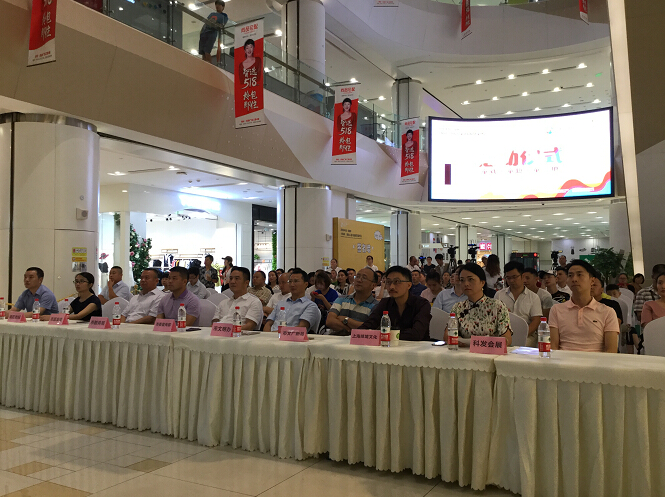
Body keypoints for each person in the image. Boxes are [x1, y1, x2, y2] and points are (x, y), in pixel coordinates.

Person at [549, 260, 619, 352]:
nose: (574, 279)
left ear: (592, 280)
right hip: (564, 359)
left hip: (595, 360)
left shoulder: (608, 312)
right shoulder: (556, 310)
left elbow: (611, 350)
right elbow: (553, 346)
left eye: (579, 275)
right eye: (570, 275)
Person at [444, 264, 512, 345]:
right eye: (462, 280)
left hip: (490, 351)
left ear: (482, 283)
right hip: (464, 350)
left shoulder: (497, 306)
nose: (466, 284)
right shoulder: (458, 307)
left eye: (470, 279)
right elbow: (447, 336)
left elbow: (507, 339)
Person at [360, 266, 431, 341]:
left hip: (418, 347)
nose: (391, 287)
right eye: (388, 282)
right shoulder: (385, 303)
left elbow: (416, 334)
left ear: (409, 285)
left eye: (397, 282)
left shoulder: (422, 304)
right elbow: (367, 326)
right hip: (390, 346)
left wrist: (384, 334)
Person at [496, 261, 542, 347]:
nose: (511, 281)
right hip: (503, 334)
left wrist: (523, 335)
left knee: (522, 346)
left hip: (527, 335)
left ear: (523, 276)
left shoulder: (533, 297)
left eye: (514, 277)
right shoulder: (499, 295)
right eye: (508, 278)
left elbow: (536, 321)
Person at [264, 268, 321, 333]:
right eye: (290, 281)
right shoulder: (281, 303)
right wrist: (267, 335)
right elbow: (268, 324)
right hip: (270, 337)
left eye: (296, 281)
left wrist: (274, 334)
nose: (292, 284)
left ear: (306, 284)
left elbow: (301, 328)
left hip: (291, 338)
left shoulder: (310, 306)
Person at [327, 267, 378, 336]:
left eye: (364, 278)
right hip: (334, 340)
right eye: (357, 277)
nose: (359, 280)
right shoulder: (341, 299)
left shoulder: (376, 306)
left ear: (373, 285)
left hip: (361, 342)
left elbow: (369, 329)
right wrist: (351, 331)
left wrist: (346, 320)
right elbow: (330, 321)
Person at [212, 267, 263, 331]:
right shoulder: (223, 303)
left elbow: (249, 327)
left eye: (237, 278)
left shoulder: (254, 302)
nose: (232, 281)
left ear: (246, 283)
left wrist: (227, 331)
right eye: (231, 278)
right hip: (218, 335)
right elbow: (214, 324)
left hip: (239, 336)